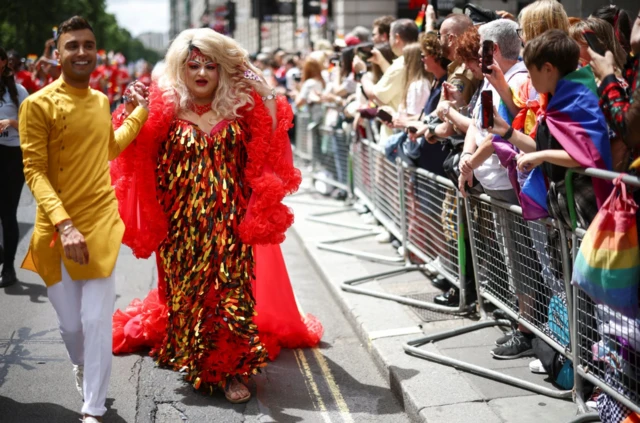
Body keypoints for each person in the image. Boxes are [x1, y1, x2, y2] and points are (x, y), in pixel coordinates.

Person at [109, 27, 322, 404]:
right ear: (181, 68)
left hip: (230, 225)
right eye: (193, 65)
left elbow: (274, 133)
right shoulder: (165, 107)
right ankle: (190, 353)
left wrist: (263, 88)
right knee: (189, 296)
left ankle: (229, 371)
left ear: (222, 70)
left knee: (230, 293)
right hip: (181, 228)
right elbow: (133, 151)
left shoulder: (239, 107)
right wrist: (131, 109)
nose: (202, 72)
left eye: (210, 65)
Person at [18, 16, 149, 423]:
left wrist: (137, 114)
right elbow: (34, 172)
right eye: (72, 45)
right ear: (57, 53)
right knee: (73, 328)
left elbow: (108, 148)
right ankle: (81, 362)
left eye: (87, 45)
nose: (81, 52)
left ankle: (93, 409)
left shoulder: (100, 101)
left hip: (100, 226)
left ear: (97, 52)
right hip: (56, 234)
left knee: (95, 321)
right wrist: (64, 223)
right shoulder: (36, 104)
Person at [355, 18, 419, 142]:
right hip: (406, 132)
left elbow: (375, 94)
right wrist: (381, 61)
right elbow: (395, 81)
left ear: (397, 38)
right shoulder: (415, 59)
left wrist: (362, 73)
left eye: (389, 36)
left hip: (397, 135)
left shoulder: (401, 63)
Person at [0, 47, 29, 287]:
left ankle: (8, 268)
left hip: (11, 155)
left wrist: (10, 122)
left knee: (7, 213)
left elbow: (33, 126)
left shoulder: (18, 91)